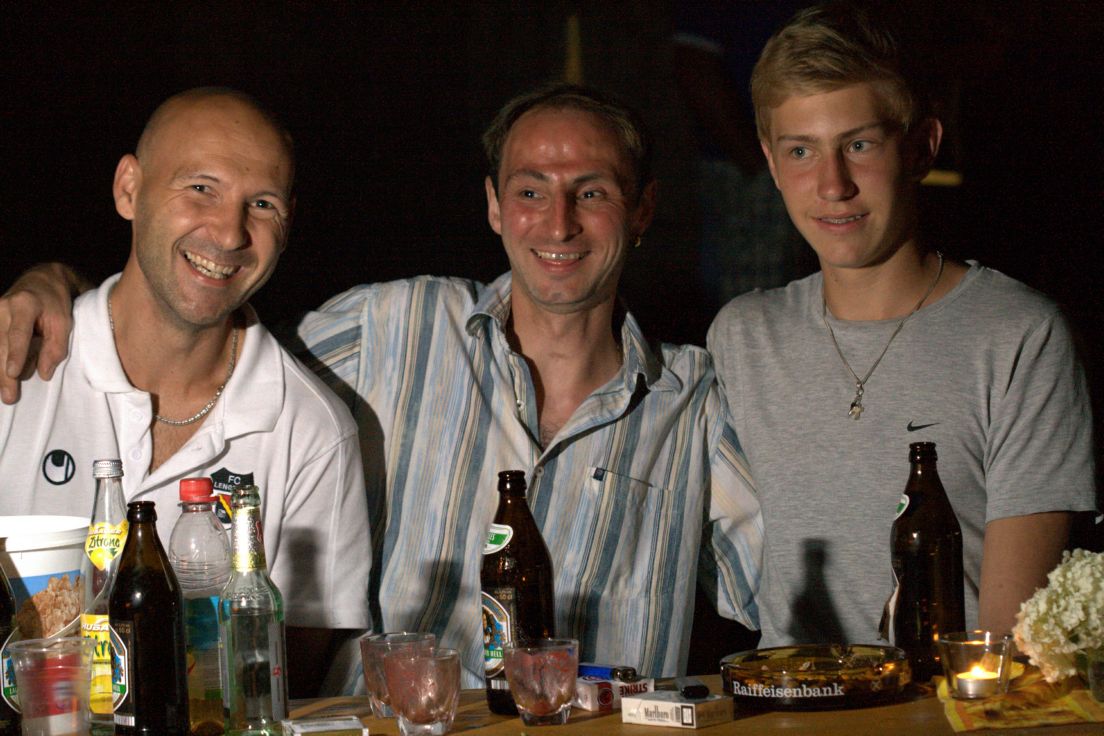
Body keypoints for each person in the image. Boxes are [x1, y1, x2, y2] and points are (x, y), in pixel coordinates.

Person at [0, 84, 763, 690]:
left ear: (643, 210)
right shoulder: (395, 327)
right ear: (494, 206)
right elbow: (203, 322)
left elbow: (786, 590)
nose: (558, 223)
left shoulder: (695, 401)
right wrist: (60, 294)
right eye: (531, 191)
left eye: (591, 193)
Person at [706, 2, 1096, 648]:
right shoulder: (744, 336)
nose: (833, 185)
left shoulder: (1018, 336)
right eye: (802, 151)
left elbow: (1009, 645)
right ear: (771, 164)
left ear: (921, 148)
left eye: (859, 145)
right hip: (786, 697)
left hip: (950, 700)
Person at [0, 88, 371, 695]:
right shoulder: (14, 364)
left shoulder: (315, 432)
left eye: (262, 204)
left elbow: (283, 688)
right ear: (129, 189)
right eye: (201, 187)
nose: (228, 232)